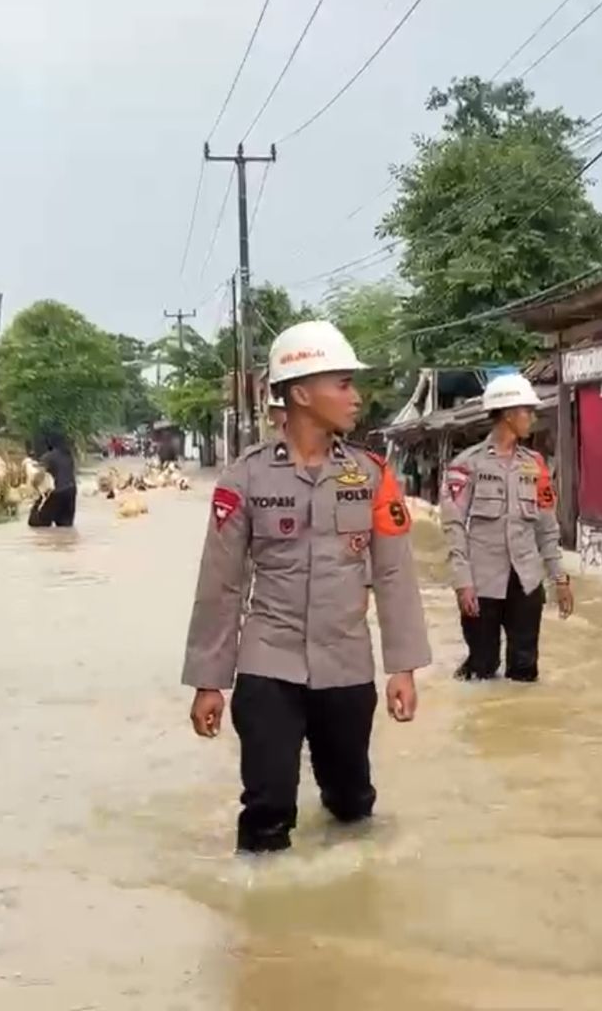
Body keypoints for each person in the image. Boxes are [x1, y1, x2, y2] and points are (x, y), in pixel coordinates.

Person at [182, 320, 432, 855]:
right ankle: (261, 928)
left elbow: (393, 574)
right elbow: (221, 584)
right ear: (300, 393)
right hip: (268, 662)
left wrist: (403, 667)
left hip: (346, 666)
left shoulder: (371, 475)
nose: (355, 397)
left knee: (351, 804)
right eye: (342, 384)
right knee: (267, 808)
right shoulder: (243, 480)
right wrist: (209, 680)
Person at [440, 374, 573, 683]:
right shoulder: (466, 465)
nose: (532, 418)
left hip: (526, 582)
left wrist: (560, 578)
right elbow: (453, 526)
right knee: (481, 670)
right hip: (481, 583)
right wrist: (463, 583)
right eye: (527, 411)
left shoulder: (535, 465)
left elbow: (547, 528)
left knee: (525, 672)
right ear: (508, 414)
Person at [28, 430, 78, 528]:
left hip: (56, 492)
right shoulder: (68, 455)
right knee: (65, 526)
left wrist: (33, 485)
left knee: (37, 523)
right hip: (71, 491)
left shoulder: (48, 457)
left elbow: (40, 475)